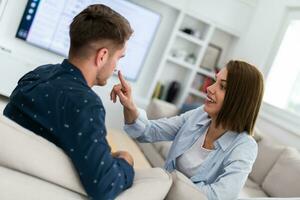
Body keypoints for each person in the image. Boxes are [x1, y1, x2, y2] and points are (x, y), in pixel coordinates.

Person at [3, 4, 134, 200]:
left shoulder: (38, 74)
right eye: (118, 58)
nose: (116, 67)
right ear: (103, 56)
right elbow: (104, 188)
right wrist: (126, 160)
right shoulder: (86, 104)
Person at [111, 60, 264, 200]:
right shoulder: (199, 115)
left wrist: (169, 182)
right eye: (215, 81)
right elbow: (148, 131)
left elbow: (219, 196)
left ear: (239, 99)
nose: (209, 89)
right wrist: (129, 105)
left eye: (222, 86)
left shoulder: (244, 146)